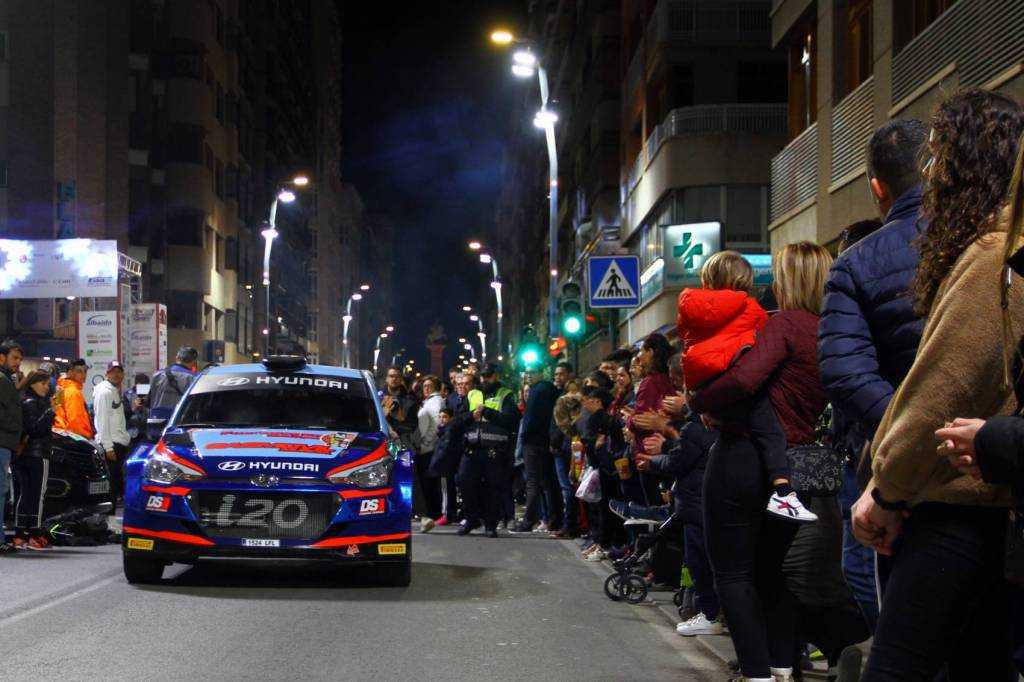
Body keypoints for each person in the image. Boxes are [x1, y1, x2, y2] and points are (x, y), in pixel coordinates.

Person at [850, 89, 1024, 681]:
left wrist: (887, 486)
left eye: (939, 157)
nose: (930, 174)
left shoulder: (991, 258)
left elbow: (939, 389)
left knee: (897, 669)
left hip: (957, 506)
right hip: (984, 505)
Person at [689, 242, 835, 682]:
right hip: (796, 463)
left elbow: (746, 379)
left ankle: (755, 675)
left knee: (732, 573)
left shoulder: (785, 324)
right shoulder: (830, 330)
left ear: (788, 278)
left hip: (742, 457)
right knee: (773, 573)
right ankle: (782, 667)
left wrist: (700, 400)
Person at [817, 118, 929, 627]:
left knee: (900, 623)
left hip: (893, 469)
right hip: (989, 459)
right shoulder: (994, 246)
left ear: (876, 187)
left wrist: (911, 436)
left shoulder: (858, 264)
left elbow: (845, 375)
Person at [676, 249, 813, 523]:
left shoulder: (690, 302)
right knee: (769, 429)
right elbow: (757, 347)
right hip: (733, 373)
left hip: (702, 377)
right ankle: (783, 490)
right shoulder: (752, 308)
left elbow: (685, 335)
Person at [634, 354, 721, 637]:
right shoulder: (701, 427)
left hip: (697, 504)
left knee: (702, 563)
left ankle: (710, 614)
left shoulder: (696, 429)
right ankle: (708, 611)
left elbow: (677, 461)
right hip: (701, 502)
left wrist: (654, 459)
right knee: (702, 562)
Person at [457, 362, 518, 538]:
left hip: (494, 451)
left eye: (489, 376)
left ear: (495, 376)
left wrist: (487, 412)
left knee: (493, 488)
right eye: (483, 376)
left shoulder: (505, 395)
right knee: (464, 482)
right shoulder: (473, 394)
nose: (485, 379)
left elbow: (511, 419)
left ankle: (490, 524)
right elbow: (460, 418)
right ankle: (471, 519)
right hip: (472, 448)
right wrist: (471, 415)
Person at [512, 367, 563, 533]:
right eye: (526, 372)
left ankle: (529, 520)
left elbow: (531, 419)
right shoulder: (550, 389)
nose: (528, 375)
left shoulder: (537, 390)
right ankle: (554, 519)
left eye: (532, 372)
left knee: (533, 482)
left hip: (534, 443)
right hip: (545, 442)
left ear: (541, 372)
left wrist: (525, 438)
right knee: (548, 483)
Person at [14, 369, 59, 550]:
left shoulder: (23, 400)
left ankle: (20, 533)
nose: (47, 388)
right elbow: (35, 428)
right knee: (37, 494)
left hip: (22, 454)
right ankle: (35, 533)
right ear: (33, 383)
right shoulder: (34, 403)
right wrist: (50, 412)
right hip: (38, 453)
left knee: (23, 494)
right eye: (44, 384)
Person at [93, 361, 130, 513]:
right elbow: (102, 421)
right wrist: (108, 447)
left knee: (115, 481)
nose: (116, 374)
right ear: (107, 374)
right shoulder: (105, 392)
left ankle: (112, 510)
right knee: (112, 483)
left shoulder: (114, 390)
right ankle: (108, 513)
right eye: (113, 371)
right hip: (111, 445)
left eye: (119, 371)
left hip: (118, 442)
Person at [0, 340, 24, 552]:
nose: (17, 363)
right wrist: (13, 429)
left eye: (19, 359)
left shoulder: (7, 379)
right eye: (14, 358)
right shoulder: (1, 380)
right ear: (2, 357)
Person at [415, 375, 445, 532]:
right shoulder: (430, 401)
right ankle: (432, 512)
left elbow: (434, 426)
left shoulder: (435, 402)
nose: (426, 388)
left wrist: (424, 444)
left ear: (436, 387)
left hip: (429, 449)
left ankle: (432, 512)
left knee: (428, 482)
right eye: (424, 386)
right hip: (428, 447)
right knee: (429, 482)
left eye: (429, 386)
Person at [148, 346, 199, 434]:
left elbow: (150, 399)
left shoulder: (158, 374)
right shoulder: (193, 378)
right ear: (194, 362)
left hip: (156, 419)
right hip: (178, 421)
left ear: (177, 357)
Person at [53, 358, 93, 439]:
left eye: (85, 371)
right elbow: (75, 422)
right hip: (73, 440)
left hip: (60, 437)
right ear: (70, 373)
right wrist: (86, 439)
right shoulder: (73, 392)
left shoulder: (60, 389)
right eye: (79, 371)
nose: (83, 374)